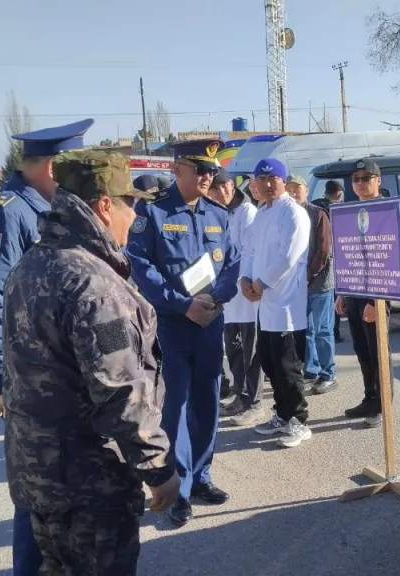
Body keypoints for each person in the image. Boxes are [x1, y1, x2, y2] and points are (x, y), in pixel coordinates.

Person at [2, 150, 179, 575]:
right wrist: (159, 468)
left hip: (39, 472)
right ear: (103, 206)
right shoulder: (95, 286)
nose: (134, 216)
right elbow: (121, 390)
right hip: (90, 483)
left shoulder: (33, 263)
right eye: (129, 203)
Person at [0, 118, 94, 576]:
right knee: (38, 494)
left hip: (61, 378)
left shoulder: (49, 207)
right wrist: (1, 379)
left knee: (66, 491)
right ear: (54, 167)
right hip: (27, 381)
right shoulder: (7, 212)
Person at [126, 139, 240, 526]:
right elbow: (141, 266)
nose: (208, 177)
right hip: (171, 326)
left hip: (209, 323)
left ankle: (203, 475)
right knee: (174, 408)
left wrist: (216, 299)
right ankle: (181, 488)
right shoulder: (153, 212)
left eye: (212, 171)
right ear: (177, 169)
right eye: (200, 170)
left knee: (208, 402)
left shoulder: (219, 214)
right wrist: (183, 304)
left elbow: (233, 264)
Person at [242, 158, 313, 448]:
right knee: (270, 362)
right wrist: (245, 279)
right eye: (262, 179)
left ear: (284, 181)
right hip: (264, 303)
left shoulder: (293, 213)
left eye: (274, 179)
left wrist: (261, 283)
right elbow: (249, 251)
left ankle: (299, 420)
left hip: (286, 304)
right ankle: (282, 414)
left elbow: (288, 256)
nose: (268, 184)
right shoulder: (261, 213)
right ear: (255, 183)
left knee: (287, 366)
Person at [334, 159, 393, 428]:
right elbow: (346, 254)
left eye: (366, 178)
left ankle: (382, 405)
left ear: (378, 180)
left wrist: (374, 300)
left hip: (375, 295)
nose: (360, 183)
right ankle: (370, 398)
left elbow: (390, 259)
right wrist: (342, 292)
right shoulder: (351, 211)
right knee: (362, 350)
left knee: (378, 352)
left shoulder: (387, 211)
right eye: (356, 179)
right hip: (354, 291)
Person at [208, 168, 266, 427]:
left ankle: (255, 402)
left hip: (244, 290)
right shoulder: (214, 212)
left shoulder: (247, 212)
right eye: (215, 187)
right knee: (232, 348)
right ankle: (240, 395)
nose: (221, 191)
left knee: (250, 350)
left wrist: (240, 280)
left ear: (232, 185)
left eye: (225, 186)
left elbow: (247, 253)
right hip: (225, 293)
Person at [288, 175, 337, 395]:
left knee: (323, 330)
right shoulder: (288, 215)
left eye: (297, 188)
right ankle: (311, 370)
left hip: (320, 282)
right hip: (298, 284)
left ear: (306, 190)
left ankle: (328, 374)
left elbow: (324, 250)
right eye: (289, 188)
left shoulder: (318, 213)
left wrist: (308, 275)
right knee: (306, 329)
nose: (293, 192)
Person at [315, 179, 346, 342]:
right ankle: (334, 332)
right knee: (334, 298)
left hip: (313, 262)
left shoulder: (313, 207)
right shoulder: (337, 210)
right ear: (339, 194)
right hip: (333, 259)